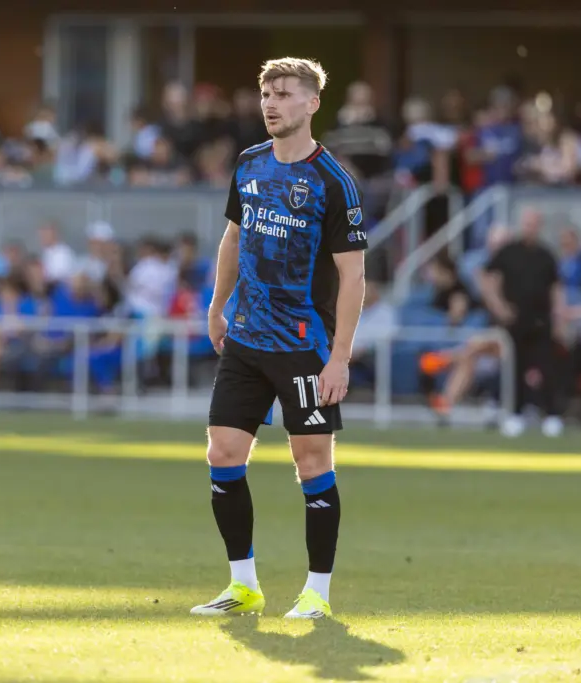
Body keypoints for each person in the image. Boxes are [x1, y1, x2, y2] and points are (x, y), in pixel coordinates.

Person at [191, 57, 367, 620]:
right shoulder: (248, 165)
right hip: (245, 338)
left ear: (312, 104)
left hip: (305, 345)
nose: (272, 103)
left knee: (311, 463)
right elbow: (233, 239)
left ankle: (317, 590)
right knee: (223, 453)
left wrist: (339, 358)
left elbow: (353, 275)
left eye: (285, 94)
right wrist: (218, 306)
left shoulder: (332, 182)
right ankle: (243, 584)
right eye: (267, 92)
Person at [479, 208, 566, 437]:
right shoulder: (508, 252)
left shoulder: (546, 255)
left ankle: (552, 415)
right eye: (527, 223)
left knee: (547, 368)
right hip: (515, 322)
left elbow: (556, 289)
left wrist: (559, 318)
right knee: (514, 368)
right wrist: (500, 307)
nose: (530, 228)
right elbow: (489, 280)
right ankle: (514, 413)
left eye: (534, 223)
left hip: (541, 321)